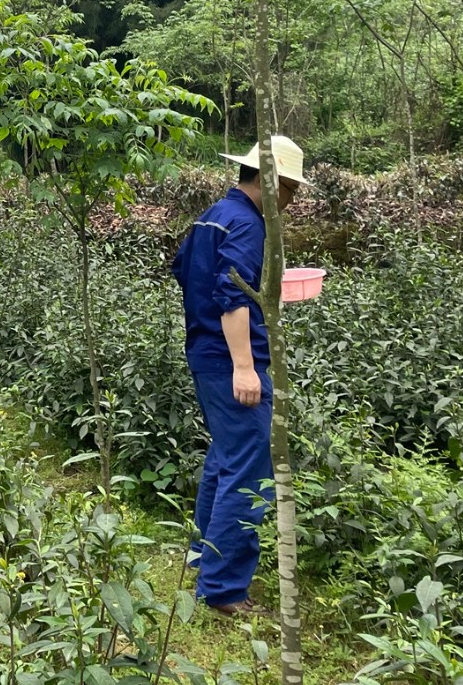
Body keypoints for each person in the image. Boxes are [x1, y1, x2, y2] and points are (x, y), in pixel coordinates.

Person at [171, 135, 306, 616]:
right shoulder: (249, 224)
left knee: (226, 458)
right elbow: (232, 294)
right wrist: (245, 367)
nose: (291, 201)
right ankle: (223, 590)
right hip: (230, 362)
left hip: (205, 354)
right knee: (249, 467)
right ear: (272, 183)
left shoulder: (215, 214)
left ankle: (203, 556)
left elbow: (184, 269)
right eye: (291, 190)